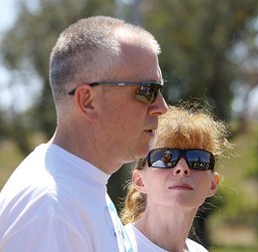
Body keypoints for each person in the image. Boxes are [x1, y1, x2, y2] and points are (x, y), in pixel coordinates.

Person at [0, 16, 168, 252]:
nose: (162, 106)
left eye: (160, 89)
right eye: (146, 90)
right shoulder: (51, 208)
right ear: (88, 101)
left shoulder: (82, 185)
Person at [121, 105, 231, 252]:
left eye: (198, 159)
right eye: (165, 158)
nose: (182, 167)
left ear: (212, 184)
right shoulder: (115, 246)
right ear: (140, 181)